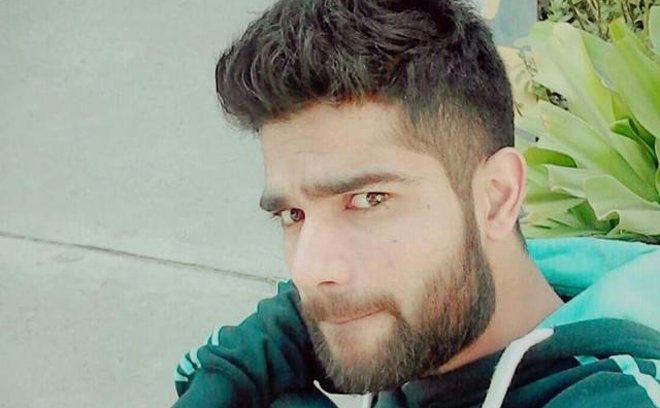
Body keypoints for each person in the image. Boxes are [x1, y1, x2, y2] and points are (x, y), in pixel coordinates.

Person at [170, 1, 660, 407]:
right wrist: (233, 371)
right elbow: (283, 328)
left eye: (368, 199)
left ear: (497, 197)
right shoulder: (429, 320)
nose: (311, 270)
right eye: (293, 215)